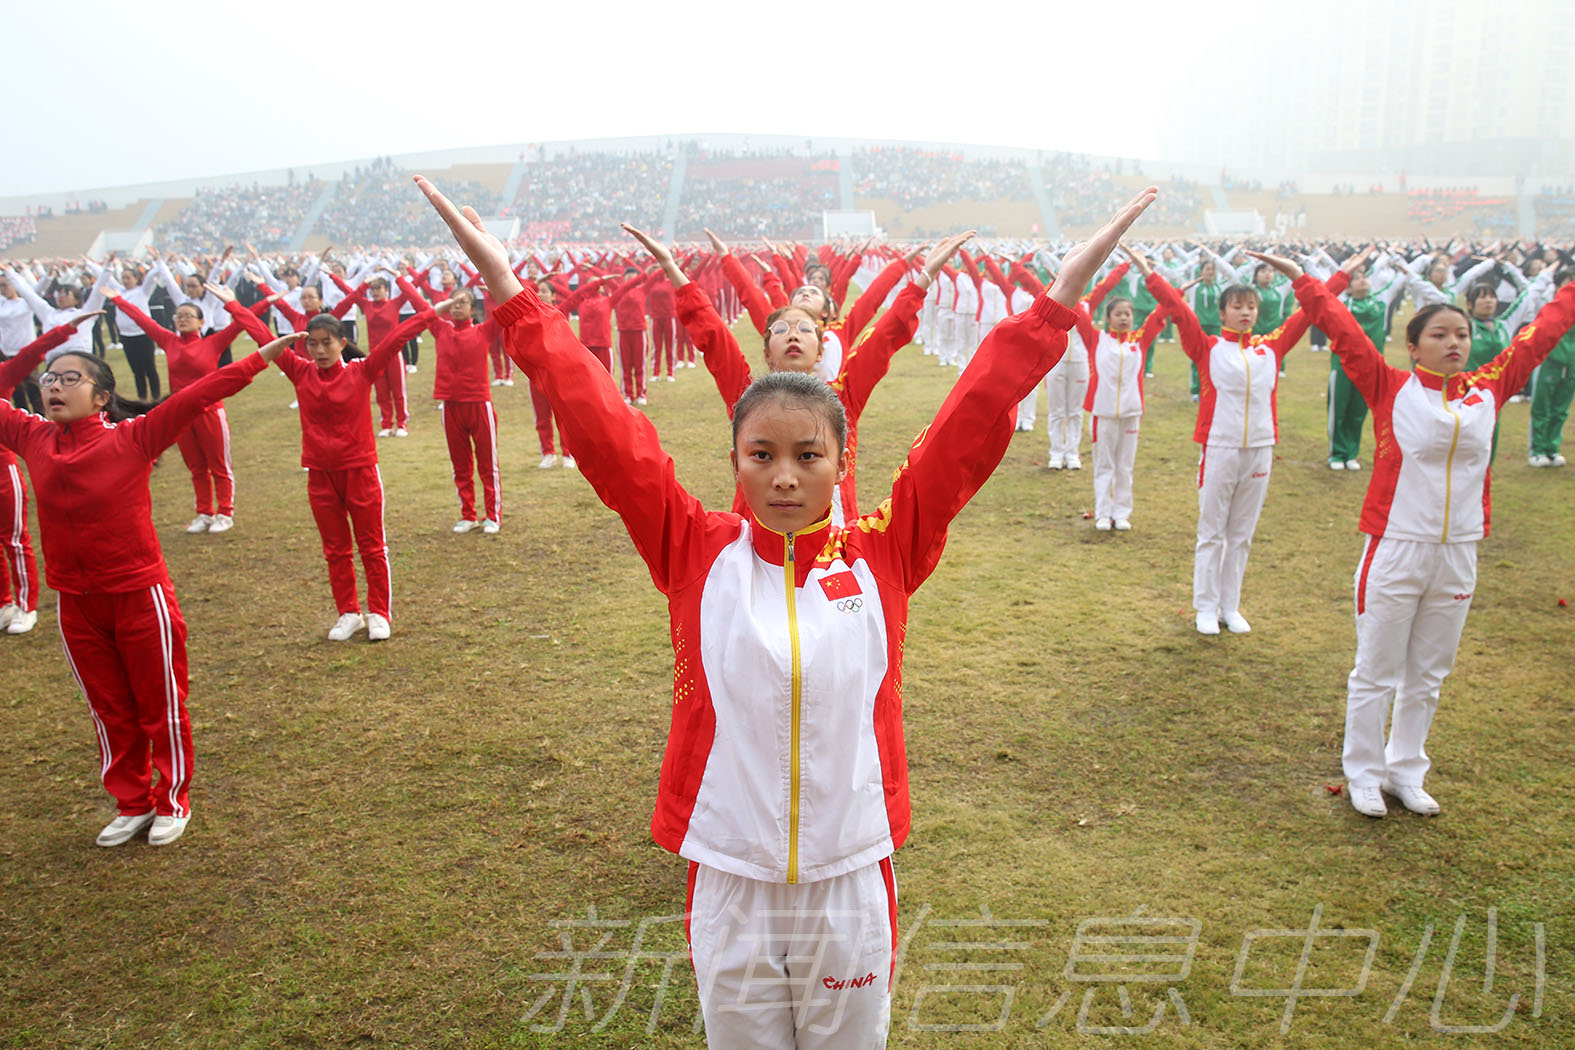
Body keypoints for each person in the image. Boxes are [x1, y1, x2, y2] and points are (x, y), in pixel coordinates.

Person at [413, 171, 1157, 1050]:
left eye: (808, 455)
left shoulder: (885, 552)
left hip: (849, 871)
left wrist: (1058, 299)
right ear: (734, 458)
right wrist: (511, 296)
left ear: (842, 465)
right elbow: (603, 424)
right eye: (760, 454)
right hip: (729, 870)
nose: (784, 476)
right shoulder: (694, 550)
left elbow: (971, 420)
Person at [1252, 248, 1575, 818]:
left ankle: (1407, 770)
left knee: (1428, 673)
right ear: (1414, 344)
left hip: (1458, 554)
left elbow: (1541, 334)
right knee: (1376, 669)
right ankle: (1365, 773)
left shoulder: (1487, 389)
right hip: (1396, 548)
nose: (1455, 342)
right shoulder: (1389, 385)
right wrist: (1303, 279)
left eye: (1463, 334)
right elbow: (1341, 328)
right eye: (1440, 334)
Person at [0, 319, 296, 846]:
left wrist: (258, 357)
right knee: (108, 706)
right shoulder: (34, 436)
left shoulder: (134, 436)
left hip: (139, 594)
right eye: (50, 378)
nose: (53, 386)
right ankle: (132, 801)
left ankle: (172, 797)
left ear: (102, 398)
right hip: (75, 602)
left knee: (159, 702)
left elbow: (198, 395)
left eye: (70, 379)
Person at [630, 223, 967, 526]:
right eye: (782, 329)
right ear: (766, 351)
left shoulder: (842, 398)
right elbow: (715, 338)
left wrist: (922, 278)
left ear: (821, 350)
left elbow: (885, 337)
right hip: (757, 538)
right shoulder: (748, 398)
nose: (793, 335)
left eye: (805, 329)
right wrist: (672, 269)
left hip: (831, 538)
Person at [1143, 253, 1337, 635]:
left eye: (1251, 306)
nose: (1246, 312)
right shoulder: (1207, 347)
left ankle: (1229, 606)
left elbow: (1310, 312)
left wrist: (1323, 276)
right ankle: (1204, 606)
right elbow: (1178, 309)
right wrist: (1149, 273)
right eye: (1237, 306)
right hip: (1220, 447)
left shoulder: (1271, 348)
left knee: (1241, 534)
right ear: (1223, 312)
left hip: (1260, 448)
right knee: (1212, 530)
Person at [273, 306, 438, 640]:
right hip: (320, 475)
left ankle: (379, 612)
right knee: (335, 549)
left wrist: (432, 312)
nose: (320, 351)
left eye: (327, 343)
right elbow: (265, 340)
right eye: (313, 344)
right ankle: (349, 612)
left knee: (372, 547)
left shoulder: (360, 372)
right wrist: (233, 304)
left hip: (360, 471)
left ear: (342, 343)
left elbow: (395, 340)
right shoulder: (300, 372)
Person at [101, 284, 276, 534]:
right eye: (178, 316)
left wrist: (268, 299)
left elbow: (240, 322)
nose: (182, 320)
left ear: (201, 321)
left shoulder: (215, 341)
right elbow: (141, 319)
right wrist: (118, 299)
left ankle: (225, 512)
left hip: (210, 410)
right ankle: (204, 513)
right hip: (180, 414)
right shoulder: (168, 341)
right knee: (196, 467)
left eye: (188, 316)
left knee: (219, 465)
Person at [1077, 253, 1170, 530]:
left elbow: (1165, 307)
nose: (1123, 319)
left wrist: (1159, 279)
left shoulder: (1140, 341)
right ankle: (1103, 513)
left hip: (1131, 412)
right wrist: (1117, 268)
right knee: (1104, 464)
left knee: (1125, 466)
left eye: (1127, 314)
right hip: (1103, 411)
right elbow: (1081, 308)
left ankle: (1122, 513)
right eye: (1118, 314)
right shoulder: (1096, 338)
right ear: (1107, 317)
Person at [409, 282, 504, 533]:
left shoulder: (484, 331)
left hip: (478, 405)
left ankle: (493, 515)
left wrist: (493, 291)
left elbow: (506, 309)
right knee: (460, 465)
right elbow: (420, 306)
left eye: (462, 302)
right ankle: (468, 514)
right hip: (450, 406)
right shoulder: (442, 330)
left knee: (487, 464)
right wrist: (400, 278)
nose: (457, 306)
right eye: (453, 302)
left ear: (473, 309)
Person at [1529, 267, 1575, 467]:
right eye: (1568, 280)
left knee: (1561, 409)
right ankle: (1537, 450)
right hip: (1548, 361)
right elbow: (1532, 292)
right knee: (1542, 407)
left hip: (1571, 364)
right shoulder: (1548, 304)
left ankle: (1552, 448)